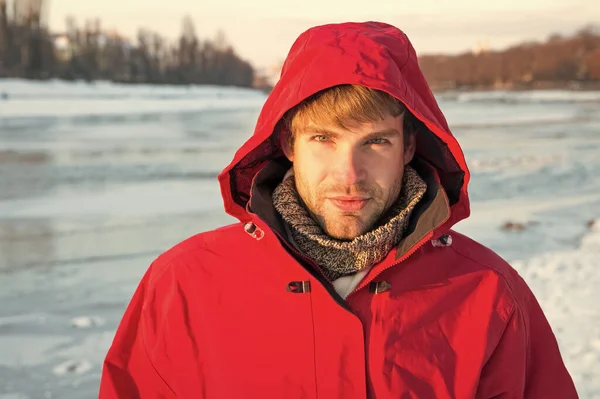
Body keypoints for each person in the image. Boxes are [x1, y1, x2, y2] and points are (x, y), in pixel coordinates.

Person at [99, 21, 578, 398]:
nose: (349, 174)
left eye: (375, 141)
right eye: (323, 139)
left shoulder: (486, 294)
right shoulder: (183, 285)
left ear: (409, 147)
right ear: (287, 142)